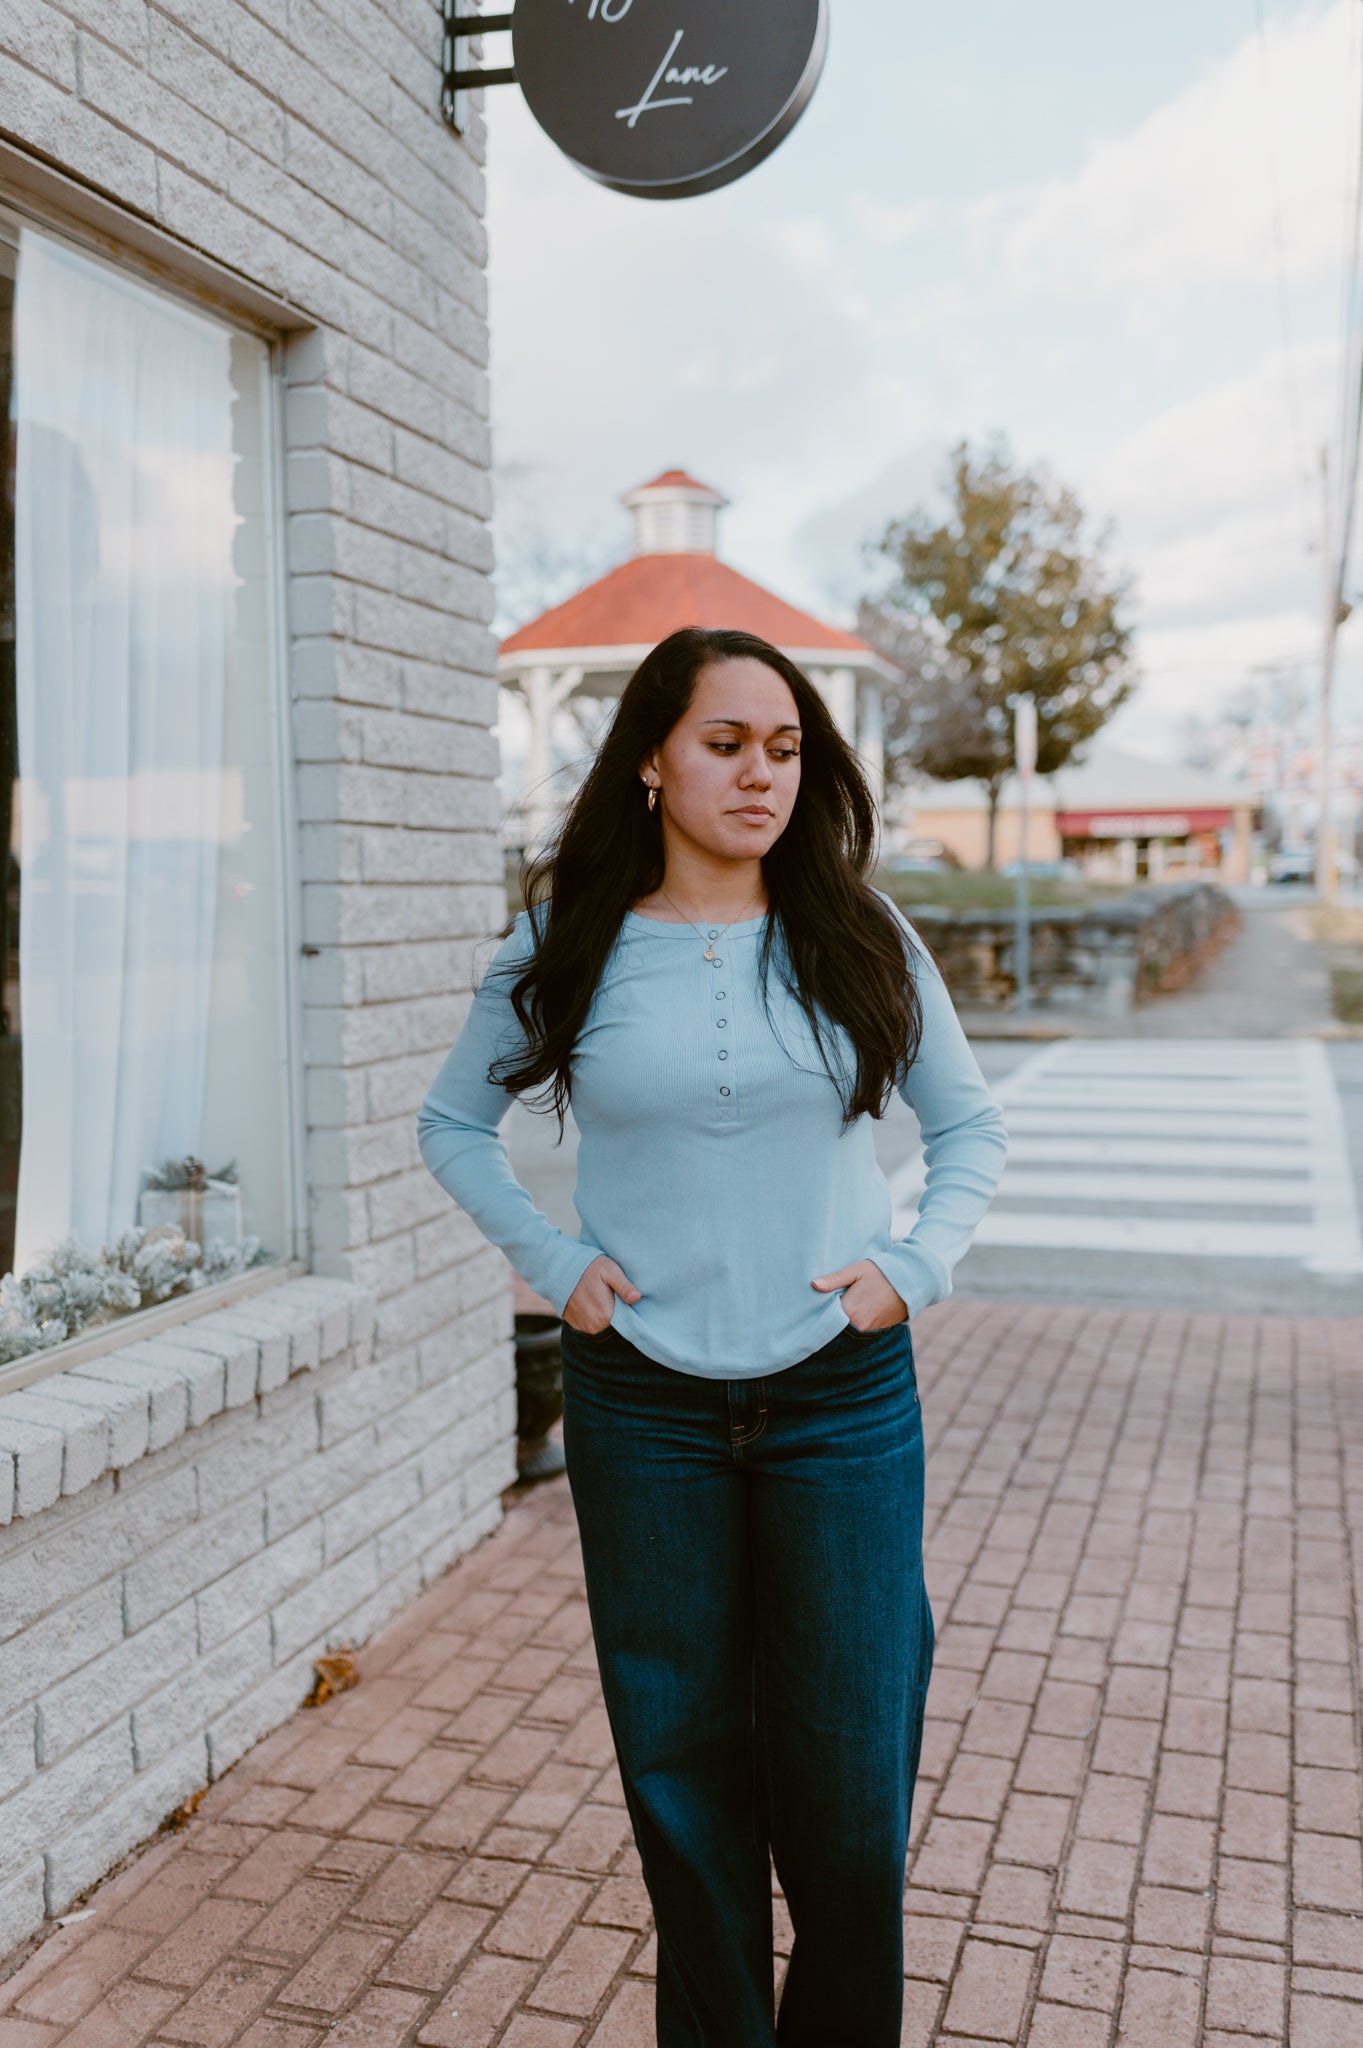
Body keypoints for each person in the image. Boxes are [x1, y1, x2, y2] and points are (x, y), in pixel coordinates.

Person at [418, 626, 1007, 2047]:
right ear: (649, 761)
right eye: (727, 743)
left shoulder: (859, 931)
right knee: (681, 1778)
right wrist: (555, 1263)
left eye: (787, 747)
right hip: (644, 1405)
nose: (763, 774)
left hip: (843, 1398)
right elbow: (452, 1125)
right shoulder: (566, 943)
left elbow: (969, 1128)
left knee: (853, 1783)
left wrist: (910, 1268)